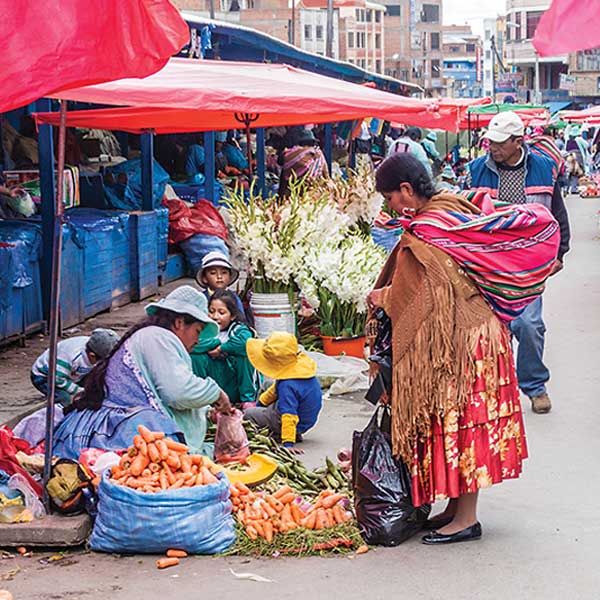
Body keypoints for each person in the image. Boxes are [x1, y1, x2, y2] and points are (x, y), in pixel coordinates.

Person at [368, 153, 556, 544]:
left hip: (465, 342)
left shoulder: (428, 229)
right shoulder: (448, 208)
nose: (390, 207)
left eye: (390, 198)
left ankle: (466, 519)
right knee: (452, 421)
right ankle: (455, 508)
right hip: (475, 335)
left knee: (463, 425)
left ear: (406, 189)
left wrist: (383, 297)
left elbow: (428, 294)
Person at [465, 111, 571, 414]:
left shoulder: (543, 168)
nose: (493, 148)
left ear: (517, 141)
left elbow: (557, 211)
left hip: (528, 261)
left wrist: (560, 252)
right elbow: (462, 212)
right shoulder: (475, 171)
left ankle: (535, 386)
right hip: (487, 261)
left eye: (499, 143)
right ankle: (491, 390)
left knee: (528, 324)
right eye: (490, 142)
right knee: (489, 328)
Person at [52, 286, 232, 460]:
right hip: (122, 428)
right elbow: (177, 392)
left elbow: (165, 389)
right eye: (197, 331)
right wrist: (216, 393)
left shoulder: (153, 336)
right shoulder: (158, 337)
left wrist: (206, 411)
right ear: (179, 323)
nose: (198, 339)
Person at [244, 332, 322, 453]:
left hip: (294, 421)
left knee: (249, 414)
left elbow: (289, 415)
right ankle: (271, 419)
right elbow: (274, 390)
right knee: (267, 385)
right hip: (305, 416)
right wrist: (261, 404)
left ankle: (278, 432)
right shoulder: (298, 364)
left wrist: (288, 444)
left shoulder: (287, 386)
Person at [191, 290, 258, 408]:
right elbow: (194, 345)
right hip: (213, 385)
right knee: (196, 356)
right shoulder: (203, 329)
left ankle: (248, 400)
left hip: (233, 383)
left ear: (232, 316)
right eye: (211, 312)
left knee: (246, 352)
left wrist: (221, 348)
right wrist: (217, 343)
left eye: (221, 312)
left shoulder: (238, 329)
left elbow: (245, 342)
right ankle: (202, 399)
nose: (215, 317)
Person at [31, 329, 120, 407]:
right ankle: (61, 420)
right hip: (46, 376)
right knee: (65, 399)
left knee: (96, 388)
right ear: (92, 356)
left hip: (72, 374)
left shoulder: (94, 348)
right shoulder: (70, 357)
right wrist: (77, 390)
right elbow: (57, 379)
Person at [279, 128, 329, 197]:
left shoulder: (290, 154)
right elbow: (326, 175)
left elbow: (281, 163)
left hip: (291, 193)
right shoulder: (318, 154)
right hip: (311, 192)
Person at [195, 251, 245, 315]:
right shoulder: (201, 298)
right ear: (204, 278)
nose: (219, 276)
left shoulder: (234, 298)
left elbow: (241, 319)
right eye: (213, 273)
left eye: (224, 272)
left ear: (229, 276)